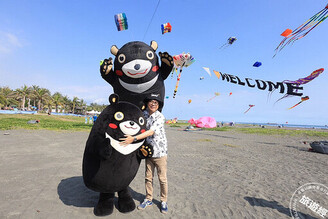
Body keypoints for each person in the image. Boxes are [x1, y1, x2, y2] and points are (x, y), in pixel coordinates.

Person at [119, 96, 168, 214]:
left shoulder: (160, 117)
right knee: (148, 177)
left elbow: (150, 131)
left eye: (156, 102)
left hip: (160, 152)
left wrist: (133, 138)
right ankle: (148, 198)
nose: (153, 104)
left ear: (158, 105)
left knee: (162, 179)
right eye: (151, 101)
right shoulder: (144, 114)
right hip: (148, 152)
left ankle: (164, 201)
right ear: (147, 103)